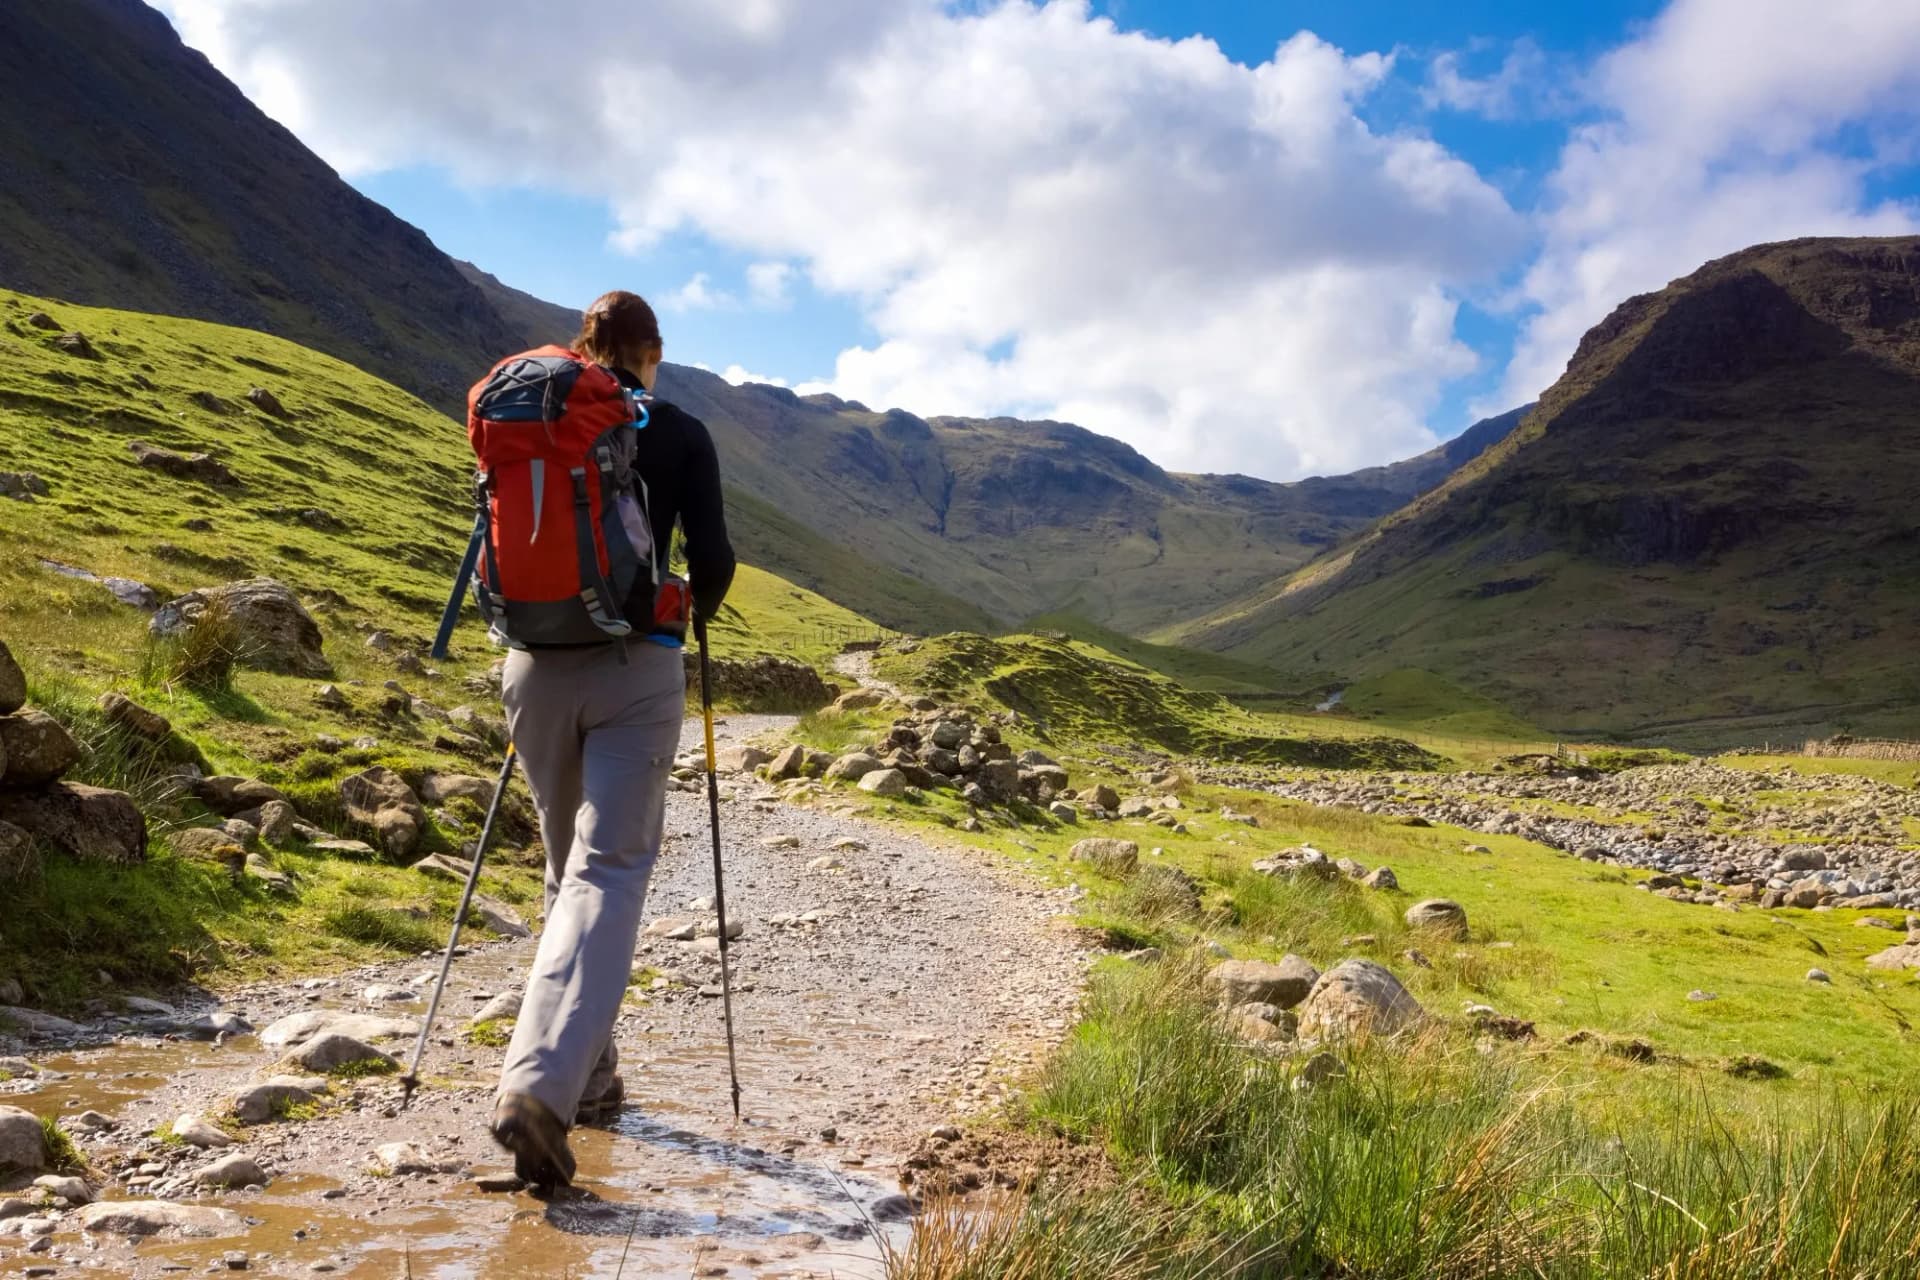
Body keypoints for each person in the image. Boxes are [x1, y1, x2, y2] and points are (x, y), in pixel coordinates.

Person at [489, 289, 735, 1188]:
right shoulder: (677, 428)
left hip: (530, 664)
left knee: (567, 874)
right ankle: (539, 1091)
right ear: (652, 349)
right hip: (635, 668)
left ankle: (588, 1083)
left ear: (586, 344)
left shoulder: (534, 412)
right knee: (610, 871)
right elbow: (711, 561)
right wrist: (689, 617)